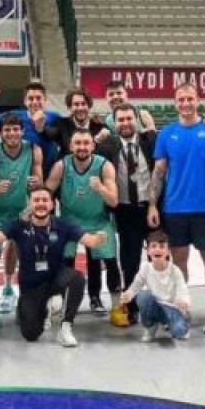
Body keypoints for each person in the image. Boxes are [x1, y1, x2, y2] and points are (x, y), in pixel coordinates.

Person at [0, 188, 108, 347]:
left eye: (44, 200)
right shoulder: (18, 226)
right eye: (36, 200)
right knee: (30, 334)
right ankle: (42, 308)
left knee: (77, 278)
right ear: (29, 204)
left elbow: (91, 241)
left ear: (52, 204)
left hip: (56, 278)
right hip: (31, 286)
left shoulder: (63, 225)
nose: (41, 204)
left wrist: (100, 238)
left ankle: (65, 328)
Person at [148, 83, 205, 335]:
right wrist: (152, 204)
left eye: (189, 99)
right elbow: (159, 171)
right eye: (181, 99)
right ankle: (180, 309)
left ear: (198, 100)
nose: (185, 103)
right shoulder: (167, 133)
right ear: (175, 102)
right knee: (179, 261)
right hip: (174, 208)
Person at [0, 113, 42, 331]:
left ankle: (14, 294)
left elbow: (40, 181)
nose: (12, 133)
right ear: (1, 132)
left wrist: (35, 183)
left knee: (22, 254)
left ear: (22, 131)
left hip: (20, 209)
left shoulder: (33, 150)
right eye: (7, 130)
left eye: (16, 129)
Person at [47, 130, 120, 318]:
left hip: (98, 220)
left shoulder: (104, 166)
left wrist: (100, 188)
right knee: (66, 261)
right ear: (71, 146)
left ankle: (112, 305)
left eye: (86, 143)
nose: (82, 147)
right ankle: (63, 302)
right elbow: (46, 192)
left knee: (109, 261)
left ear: (93, 146)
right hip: (69, 221)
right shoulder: (61, 166)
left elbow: (113, 201)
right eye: (78, 143)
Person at [96, 103, 156, 326]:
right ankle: (131, 307)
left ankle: (162, 305)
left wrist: (152, 127)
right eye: (120, 119)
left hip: (151, 208)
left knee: (158, 259)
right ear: (114, 123)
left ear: (136, 120)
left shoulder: (151, 141)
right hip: (125, 211)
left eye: (129, 118)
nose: (125, 123)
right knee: (129, 263)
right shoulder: (106, 146)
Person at [121, 231, 191, 342]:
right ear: (148, 251)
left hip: (171, 308)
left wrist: (183, 301)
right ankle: (150, 326)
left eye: (162, 247)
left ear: (168, 252)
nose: (157, 249)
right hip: (155, 306)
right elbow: (136, 286)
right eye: (153, 246)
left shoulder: (175, 270)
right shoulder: (145, 268)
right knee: (143, 296)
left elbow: (183, 289)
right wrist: (128, 294)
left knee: (179, 332)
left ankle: (182, 321)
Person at [0, 81, 63, 173]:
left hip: (50, 171)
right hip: (23, 173)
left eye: (38, 98)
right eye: (31, 98)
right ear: (25, 101)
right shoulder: (15, 115)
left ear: (45, 100)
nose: (35, 102)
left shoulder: (55, 117)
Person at [46, 88, 108, 161]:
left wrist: (97, 141)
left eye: (83, 104)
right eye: (76, 104)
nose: (80, 108)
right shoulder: (61, 124)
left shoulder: (100, 128)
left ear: (89, 106)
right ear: (69, 108)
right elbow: (45, 134)